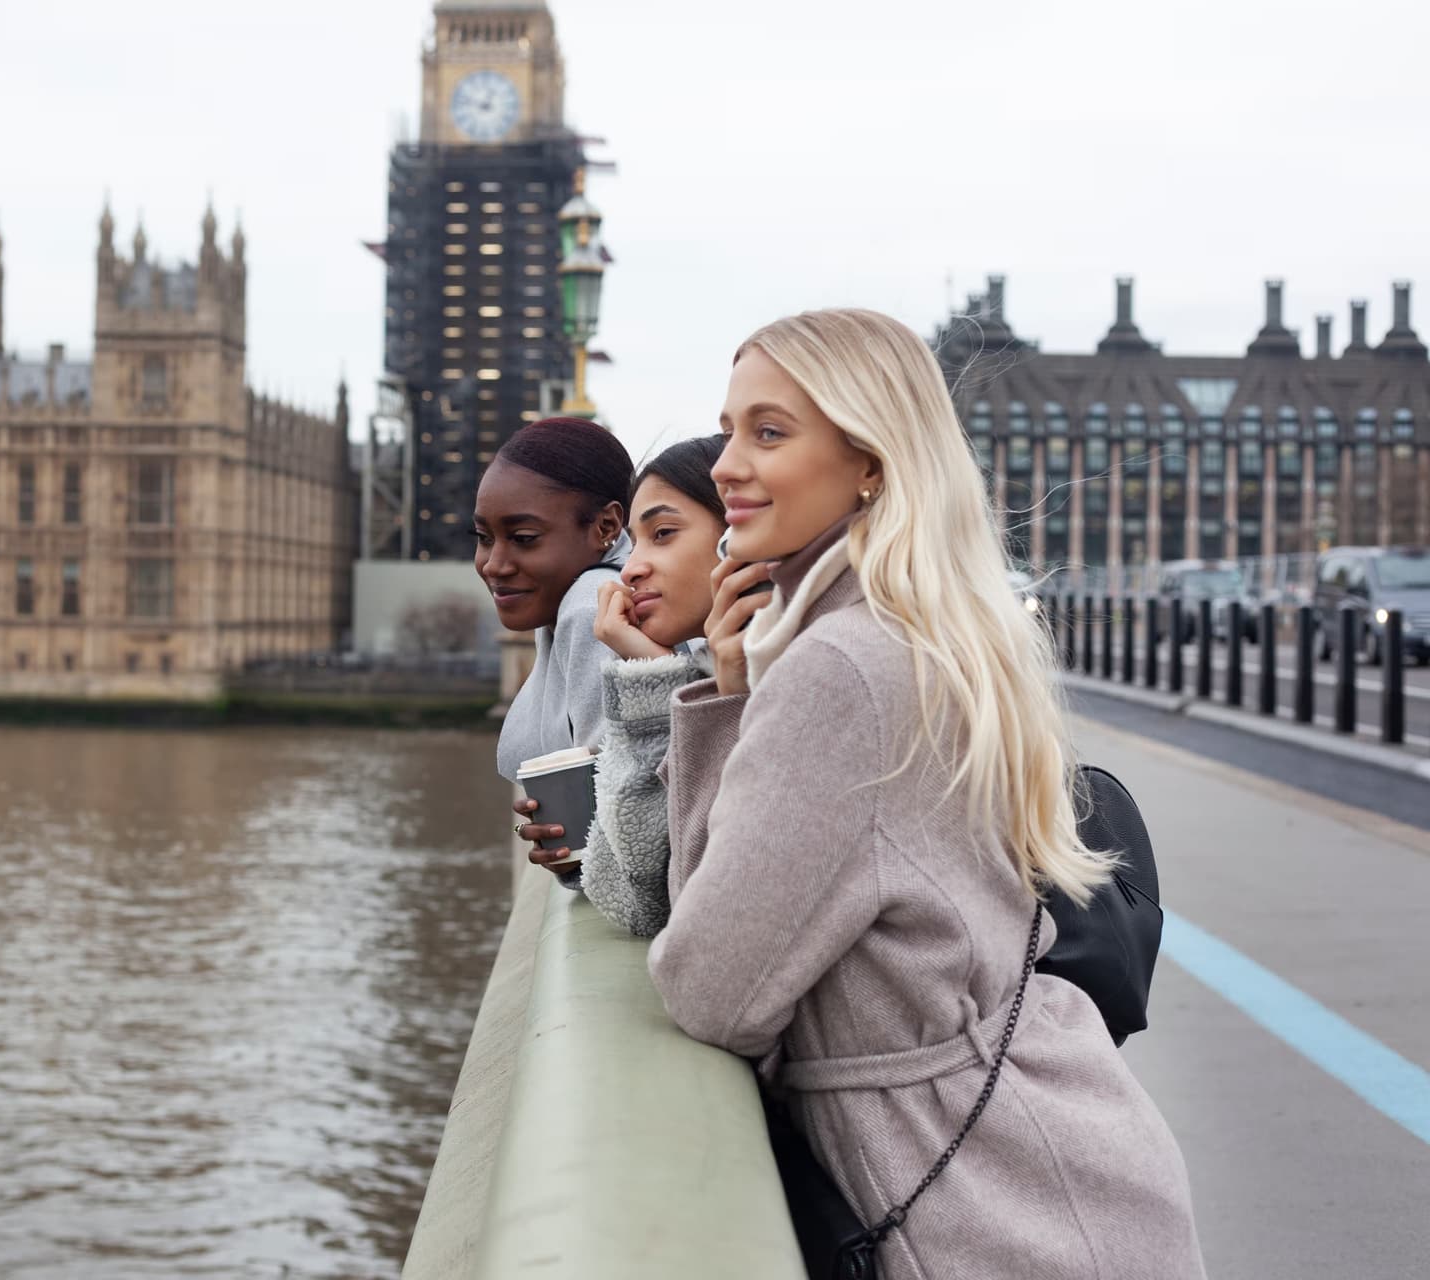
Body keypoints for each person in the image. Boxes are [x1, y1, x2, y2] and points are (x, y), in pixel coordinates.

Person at [648, 309, 1205, 1279]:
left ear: (871, 460)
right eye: (729, 429)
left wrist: (722, 711)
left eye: (769, 432)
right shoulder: (908, 629)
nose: (728, 464)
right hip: (1045, 1167)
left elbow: (707, 985)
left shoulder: (842, 669)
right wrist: (732, 695)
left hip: (997, 1209)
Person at [523, 435, 768, 936]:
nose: (632, 568)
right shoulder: (713, 670)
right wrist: (652, 667)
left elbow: (672, 899)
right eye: (635, 543)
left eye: (664, 533)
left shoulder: (793, 679)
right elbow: (638, 888)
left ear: (740, 535)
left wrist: (658, 678)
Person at [475, 417, 634, 787]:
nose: (493, 564)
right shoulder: (566, 601)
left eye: (524, 538)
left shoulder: (592, 606)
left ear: (606, 527)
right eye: (483, 536)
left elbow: (617, 796)